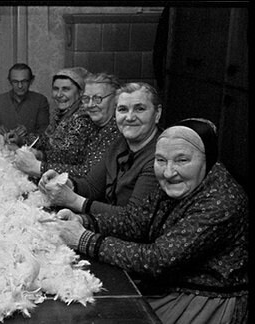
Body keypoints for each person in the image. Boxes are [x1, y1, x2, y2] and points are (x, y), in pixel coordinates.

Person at [49, 119, 248, 324]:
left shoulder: (221, 201)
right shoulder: (180, 184)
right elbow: (136, 220)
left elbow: (159, 259)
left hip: (202, 299)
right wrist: (84, 221)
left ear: (208, 160)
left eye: (182, 160)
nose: (169, 172)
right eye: (161, 160)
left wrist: (84, 239)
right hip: (170, 285)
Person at [39, 82, 163, 217]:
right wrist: (65, 183)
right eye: (123, 109)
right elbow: (92, 186)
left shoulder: (162, 156)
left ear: (157, 114)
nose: (129, 117)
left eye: (140, 109)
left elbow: (133, 220)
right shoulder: (119, 143)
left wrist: (74, 200)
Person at [15, 72, 122, 179]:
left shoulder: (114, 129)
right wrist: (24, 141)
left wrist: (40, 165)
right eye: (86, 99)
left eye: (98, 98)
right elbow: (47, 140)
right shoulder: (63, 114)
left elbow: (84, 169)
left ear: (117, 99)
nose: (90, 105)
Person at [0, 63, 50, 141]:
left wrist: (28, 133)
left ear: (31, 81)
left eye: (24, 81)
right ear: (10, 82)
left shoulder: (40, 101)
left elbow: (44, 133)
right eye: (15, 82)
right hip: (4, 148)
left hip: (31, 149)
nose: (20, 86)